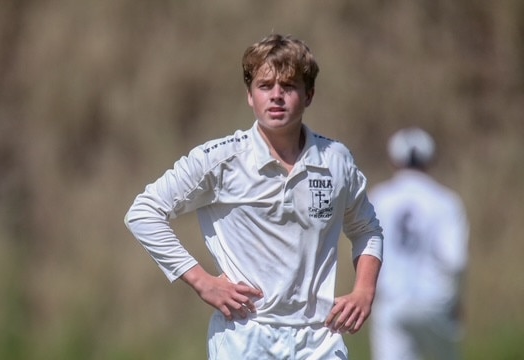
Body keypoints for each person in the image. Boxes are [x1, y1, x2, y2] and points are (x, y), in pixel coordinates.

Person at [125, 34, 383, 359]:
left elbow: (367, 230)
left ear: (309, 95)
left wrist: (364, 290)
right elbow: (144, 213)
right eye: (265, 86)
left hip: (321, 338)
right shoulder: (220, 160)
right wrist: (202, 281)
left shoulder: (336, 160)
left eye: (288, 86)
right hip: (245, 335)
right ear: (250, 95)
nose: (276, 96)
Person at [368, 127, 469, 360]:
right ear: (430, 160)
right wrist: (456, 299)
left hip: (391, 302)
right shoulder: (446, 202)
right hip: (434, 302)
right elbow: (455, 261)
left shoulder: (379, 198)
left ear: (393, 160)